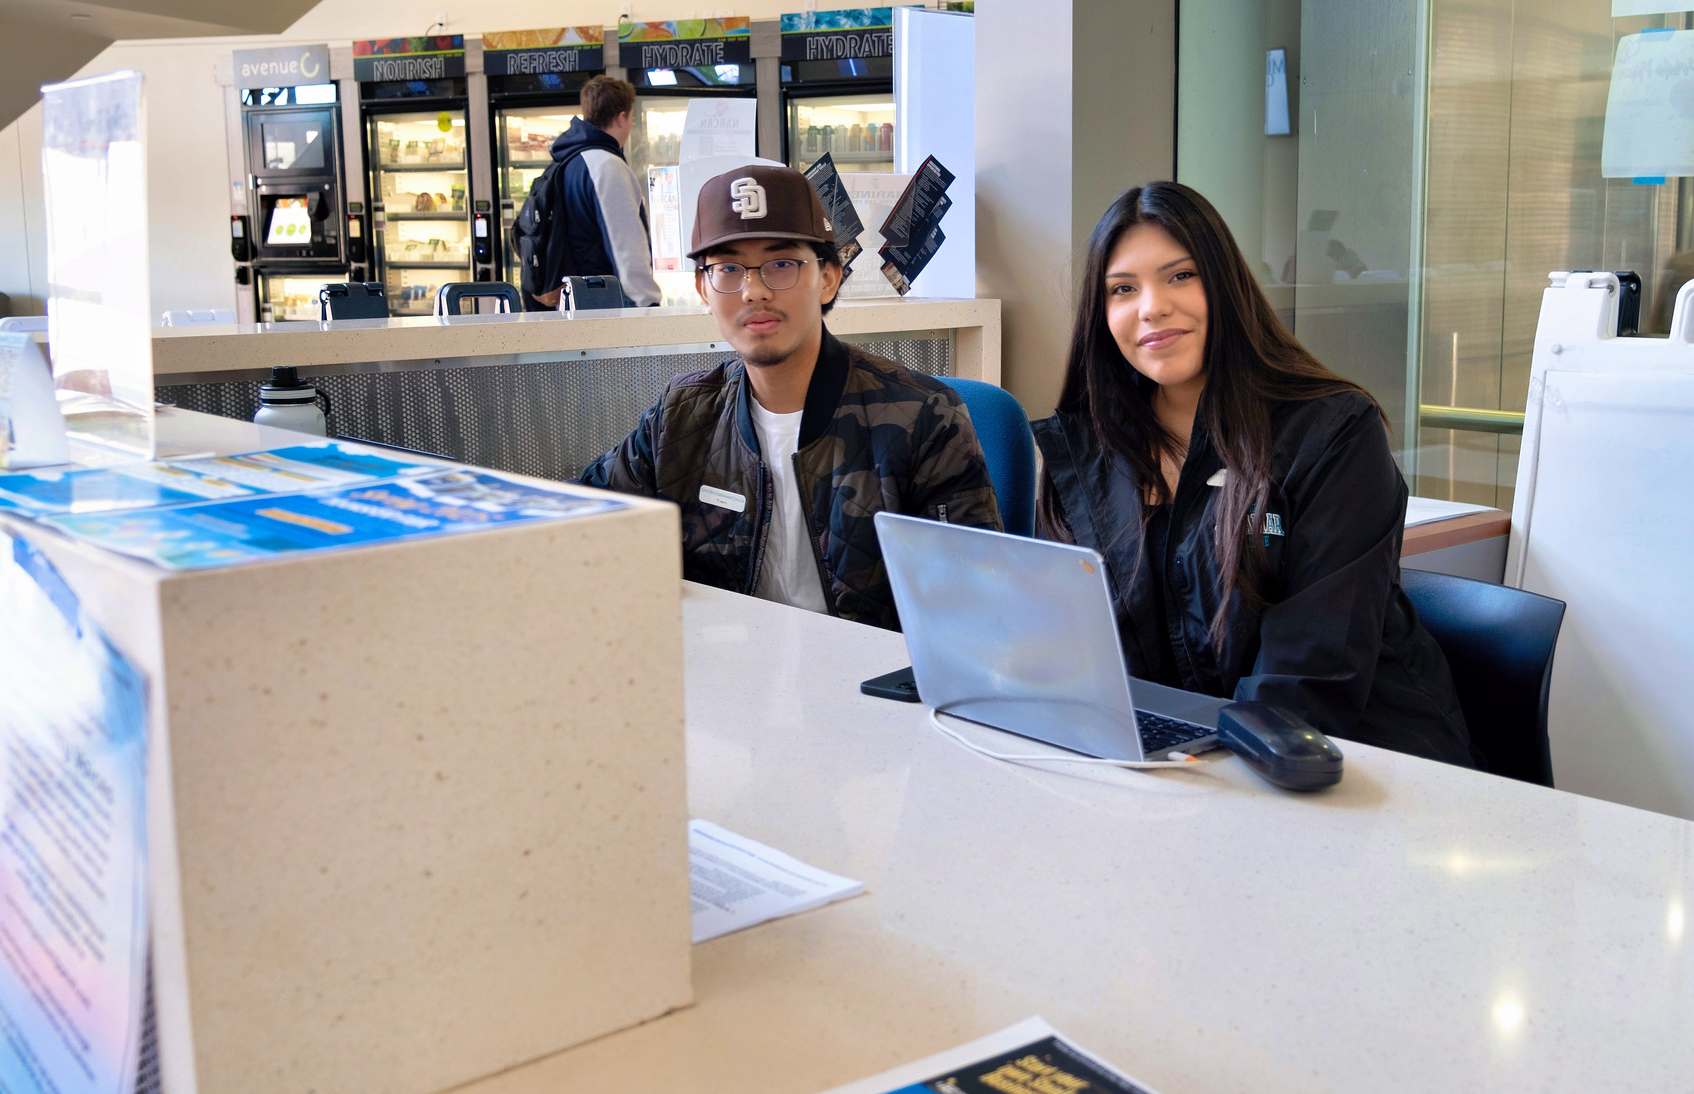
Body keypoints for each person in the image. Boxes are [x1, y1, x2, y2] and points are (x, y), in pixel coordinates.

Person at [1033, 181, 1473, 764]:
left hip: (1345, 764)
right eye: (1123, 288)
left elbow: (1309, 680)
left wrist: (1185, 768)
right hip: (1168, 764)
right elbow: (1062, 645)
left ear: (1225, 284)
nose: (1152, 307)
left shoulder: (1331, 432)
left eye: (1180, 275)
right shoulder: (1088, 450)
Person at [580, 165, 1001, 627]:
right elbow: (579, 524)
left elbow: (976, 606)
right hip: (724, 677)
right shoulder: (680, 416)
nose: (753, 291)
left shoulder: (923, 417)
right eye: (728, 269)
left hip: (869, 686)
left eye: (781, 264)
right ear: (703, 287)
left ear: (828, 277)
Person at [544, 74, 659, 308]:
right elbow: (625, 247)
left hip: (573, 303)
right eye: (631, 119)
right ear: (622, 117)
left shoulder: (567, 161)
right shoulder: (606, 166)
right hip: (605, 305)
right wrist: (648, 304)